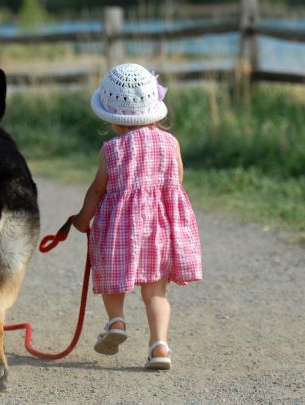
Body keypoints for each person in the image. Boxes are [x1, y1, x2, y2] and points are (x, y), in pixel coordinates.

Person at [72, 63, 202, 370]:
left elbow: (96, 191)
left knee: (114, 281)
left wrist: (81, 220)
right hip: (160, 229)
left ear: (114, 120)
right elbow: (177, 181)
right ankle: (159, 347)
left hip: (120, 231)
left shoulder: (111, 150)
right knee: (155, 291)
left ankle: (116, 322)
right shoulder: (171, 143)